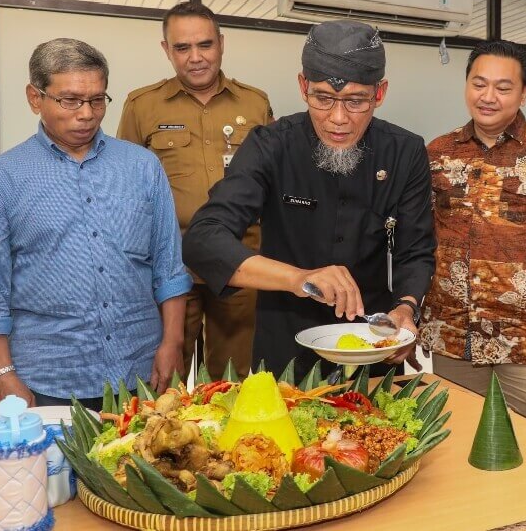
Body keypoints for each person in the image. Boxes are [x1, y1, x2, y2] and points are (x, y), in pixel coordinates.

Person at [182, 19, 435, 378]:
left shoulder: (405, 152)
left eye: (355, 101)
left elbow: (415, 250)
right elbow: (203, 239)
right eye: (323, 98)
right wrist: (299, 278)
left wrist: (407, 308)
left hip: (370, 346)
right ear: (303, 87)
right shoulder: (270, 145)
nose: (337, 118)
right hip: (284, 347)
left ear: (379, 93)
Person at [0, 38, 192, 411]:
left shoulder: (142, 166)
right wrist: (1, 373)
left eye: (97, 100)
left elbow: (169, 267)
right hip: (48, 381)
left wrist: (172, 343)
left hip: (141, 372)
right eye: (70, 100)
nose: (87, 113)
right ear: (36, 98)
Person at [420, 40, 526, 428]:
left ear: (524, 92)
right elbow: (420, 240)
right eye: (479, 84)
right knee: (458, 446)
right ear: (466, 85)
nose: (488, 97)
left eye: (503, 87)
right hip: (454, 337)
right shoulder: (438, 153)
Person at [117, 1, 273, 380]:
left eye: (205, 45)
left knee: (233, 382)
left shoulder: (255, 102)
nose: (196, 58)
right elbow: (125, 190)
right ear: (166, 50)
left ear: (221, 43)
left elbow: (273, 181)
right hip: (171, 265)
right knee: (160, 380)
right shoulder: (142, 105)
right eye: (182, 48)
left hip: (240, 261)